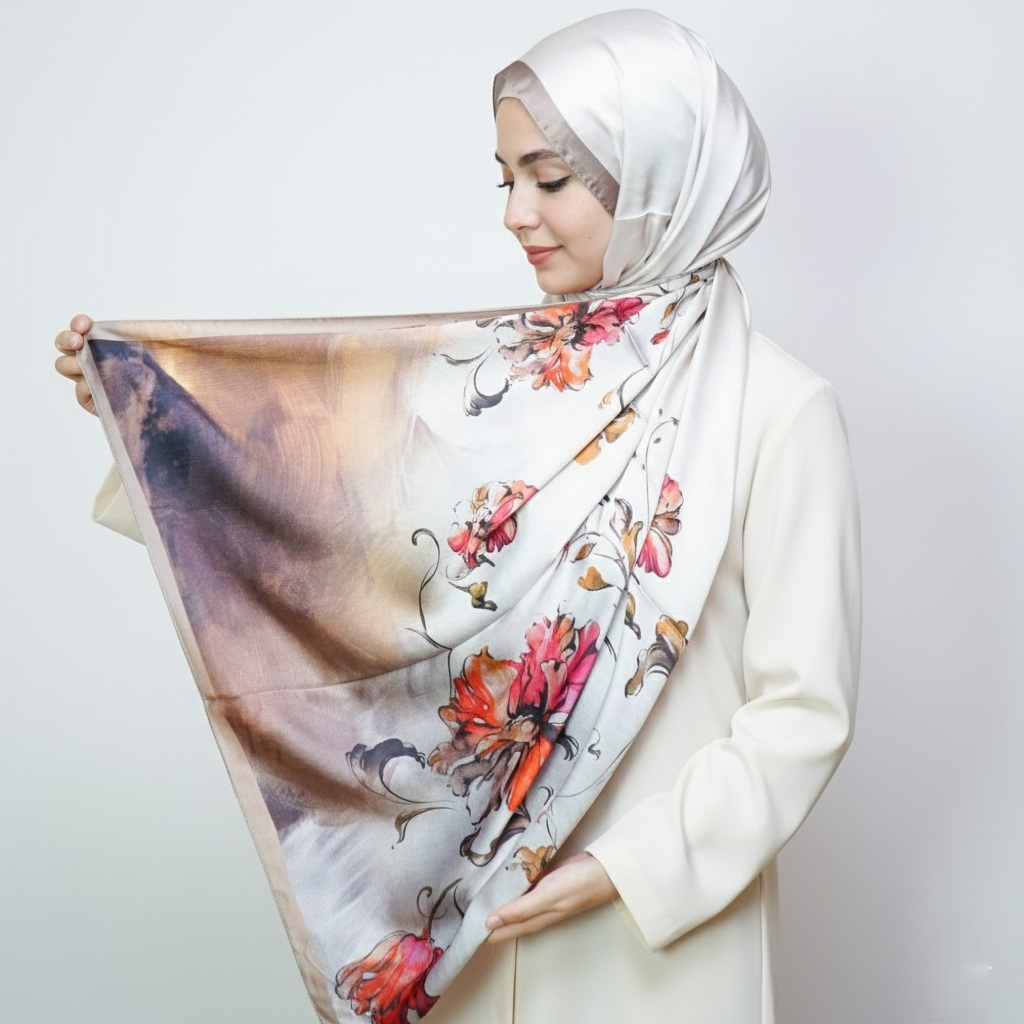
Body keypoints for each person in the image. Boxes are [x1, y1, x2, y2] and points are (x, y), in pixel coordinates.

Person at [54, 10, 860, 1024]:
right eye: (505, 178)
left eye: (550, 179)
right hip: (468, 910)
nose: (517, 213)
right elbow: (358, 554)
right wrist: (154, 422)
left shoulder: (778, 409)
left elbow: (803, 711)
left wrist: (633, 867)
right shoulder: (514, 383)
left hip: (651, 939)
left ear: (661, 175)